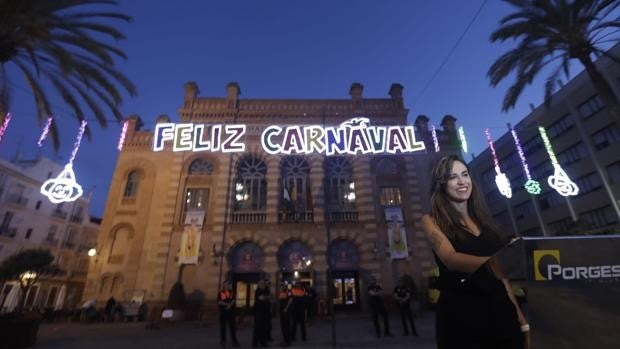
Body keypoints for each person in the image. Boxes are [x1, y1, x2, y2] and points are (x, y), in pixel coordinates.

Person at [421, 155, 530, 349]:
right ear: (442, 184)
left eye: (465, 174)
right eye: (453, 177)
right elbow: (450, 258)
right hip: (462, 317)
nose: (462, 181)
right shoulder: (431, 220)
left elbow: (502, 280)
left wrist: (521, 320)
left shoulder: (486, 224)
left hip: (502, 314)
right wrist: (496, 262)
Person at [217, 281, 240, 347]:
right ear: (224, 285)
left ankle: (234, 341)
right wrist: (227, 304)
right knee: (223, 328)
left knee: (232, 328)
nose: (229, 286)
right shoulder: (221, 293)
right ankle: (223, 341)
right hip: (223, 313)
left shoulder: (231, 292)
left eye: (229, 284)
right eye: (227, 285)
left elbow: (234, 299)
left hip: (231, 313)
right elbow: (219, 302)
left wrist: (230, 304)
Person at [253, 279, 271, 347]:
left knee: (264, 328)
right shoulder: (257, 291)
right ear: (259, 284)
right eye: (261, 283)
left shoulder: (266, 290)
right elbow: (261, 298)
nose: (263, 284)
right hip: (258, 312)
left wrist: (266, 297)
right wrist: (267, 297)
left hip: (265, 312)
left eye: (263, 283)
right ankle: (255, 343)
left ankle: (263, 342)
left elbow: (270, 297)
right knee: (257, 328)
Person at [278, 282, 293, 347]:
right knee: (283, 326)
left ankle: (288, 341)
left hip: (286, 312)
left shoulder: (288, 291)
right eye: (281, 286)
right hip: (282, 312)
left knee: (287, 326)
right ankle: (285, 339)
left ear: (285, 286)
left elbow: (290, 300)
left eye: (283, 286)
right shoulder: (281, 292)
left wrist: (286, 308)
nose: (282, 287)